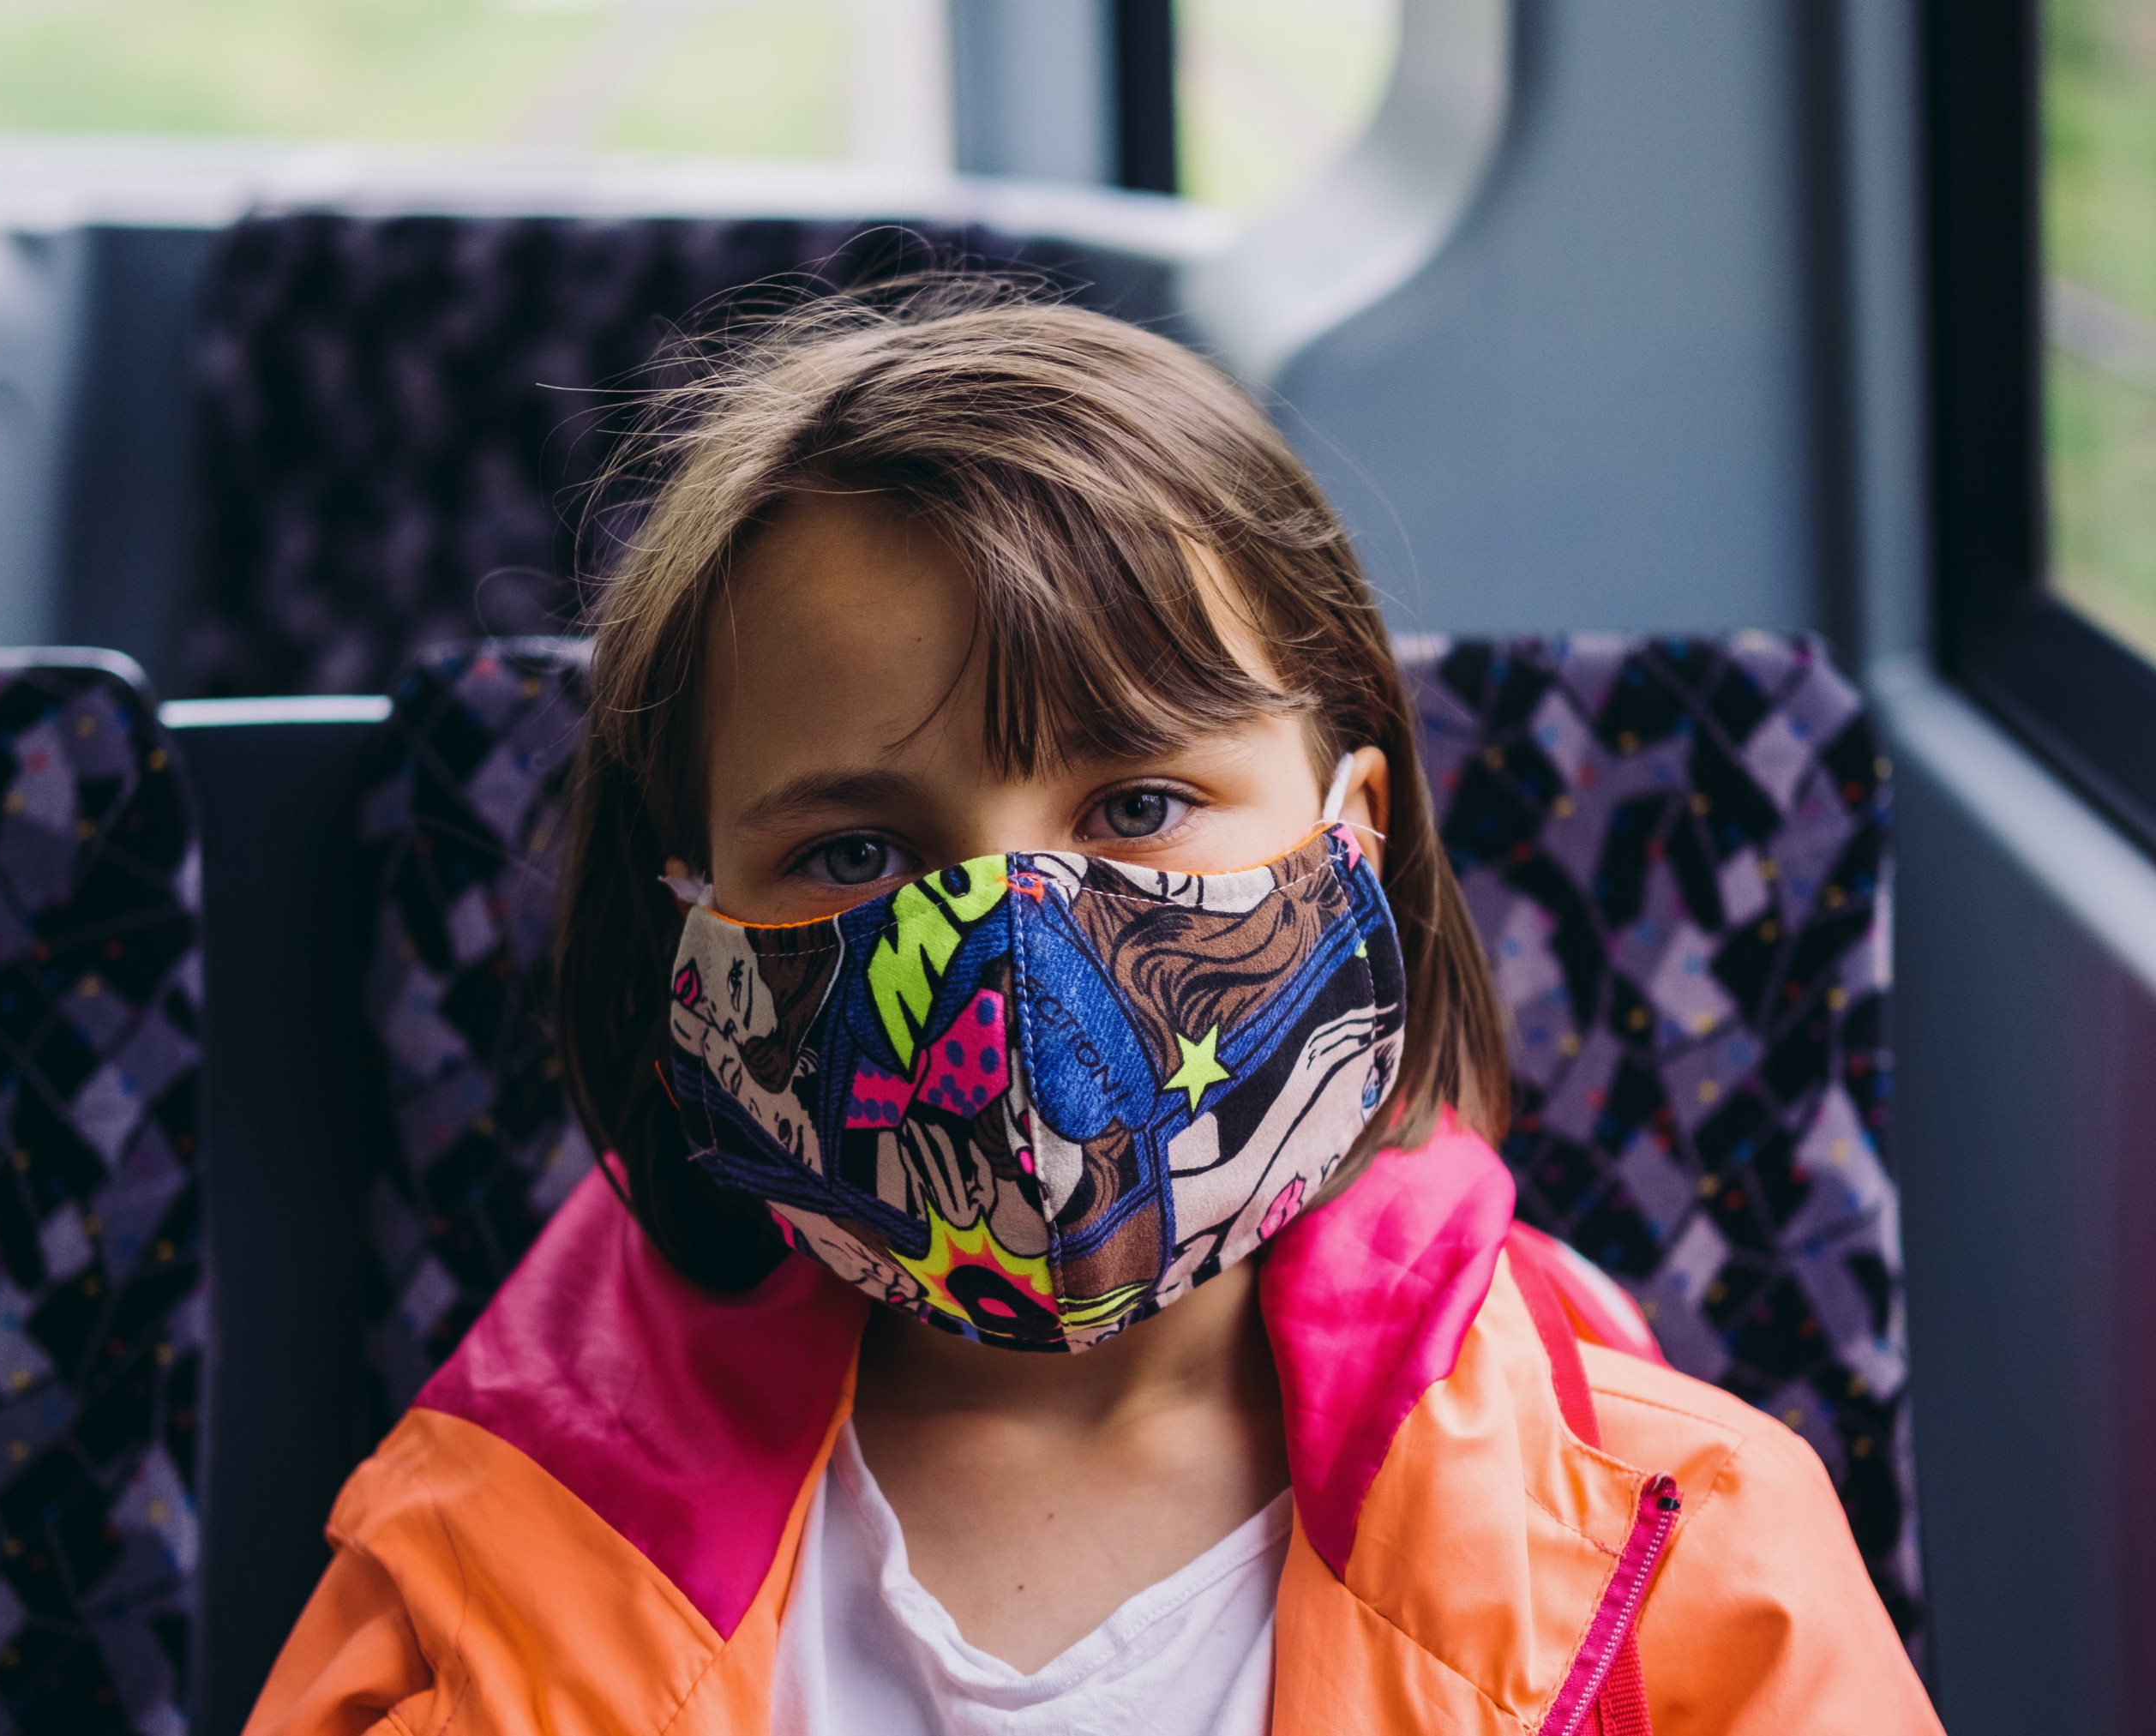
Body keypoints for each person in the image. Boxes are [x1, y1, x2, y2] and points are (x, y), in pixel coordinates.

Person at [246, 285, 1941, 1735]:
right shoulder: (471, 1574)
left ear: (1346, 835)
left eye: (1132, 804)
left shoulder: (1680, 1553)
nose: (1009, 945)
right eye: (855, 846)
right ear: (696, 928)